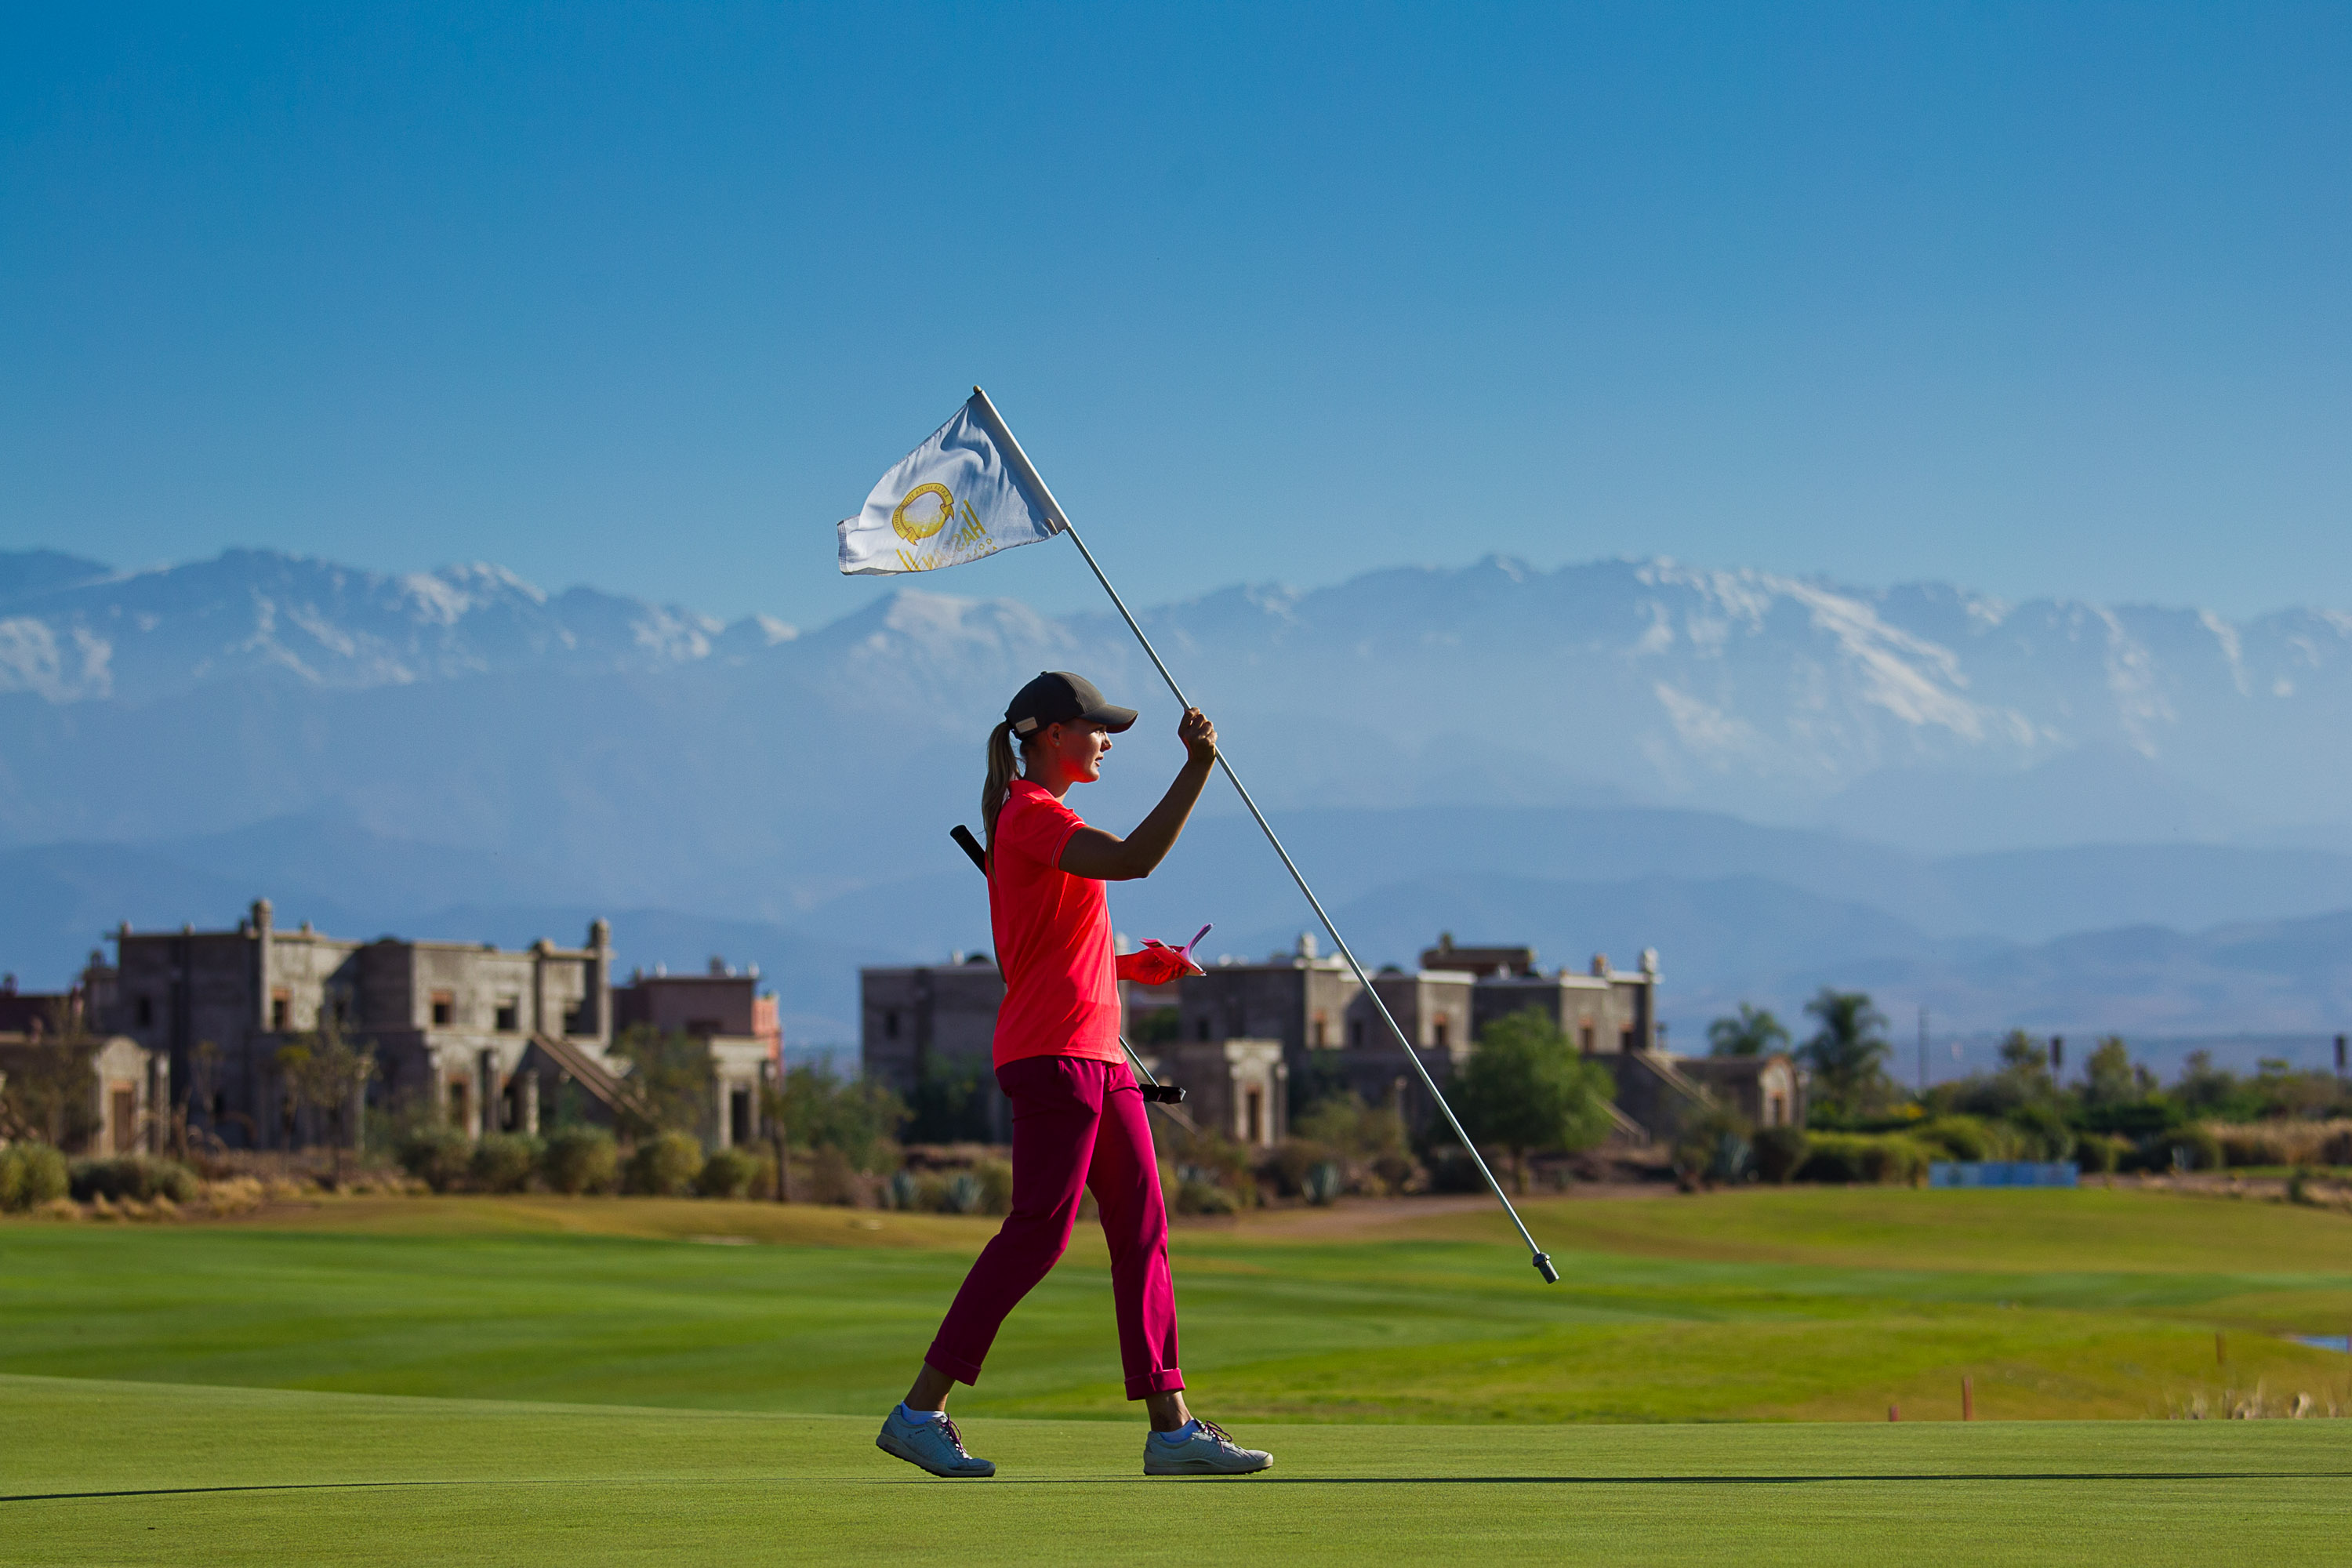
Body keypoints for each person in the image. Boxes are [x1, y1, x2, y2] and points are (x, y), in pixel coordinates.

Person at [875, 670, 1272, 1480]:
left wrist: (1134, 963)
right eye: (1096, 727)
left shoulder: (1041, 819)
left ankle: (1172, 1425)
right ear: (1053, 734)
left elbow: (1054, 947)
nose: (1108, 740)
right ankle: (920, 1409)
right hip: (1056, 1059)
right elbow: (1134, 860)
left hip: (1098, 1054)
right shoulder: (1031, 815)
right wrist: (1197, 765)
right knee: (1038, 1236)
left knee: (1142, 1228)